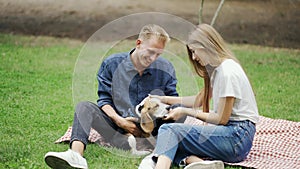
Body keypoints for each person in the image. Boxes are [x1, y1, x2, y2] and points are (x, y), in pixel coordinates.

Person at [44, 24, 179, 169]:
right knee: (84, 107)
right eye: (151, 52)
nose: (153, 58)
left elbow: (173, 102)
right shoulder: (111, 64)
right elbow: (104, 100)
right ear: (138, 44)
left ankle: (176, 157)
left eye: (158, 54)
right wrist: (120, 121)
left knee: (179, 123)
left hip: (154, 131)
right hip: (117, 130)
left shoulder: (166, 68)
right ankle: (75, 155)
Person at [139, 24, 259, 169]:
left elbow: (222, 119)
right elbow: (198, 100)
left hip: (237, 138)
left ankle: (156, 165)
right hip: (234, 137)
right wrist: (162, 99)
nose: (194, 57)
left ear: (206, 46)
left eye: (194, 51)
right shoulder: (218, 69)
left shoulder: (227, 72)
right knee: (170, 141)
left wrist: (185, 111)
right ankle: (198, 164)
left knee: (168, 131)